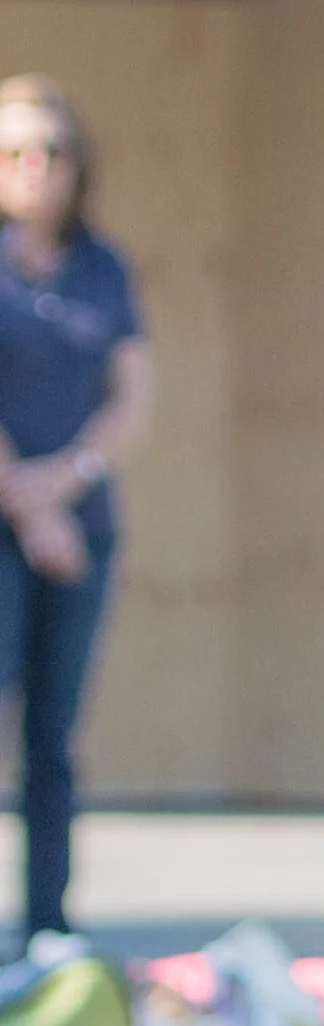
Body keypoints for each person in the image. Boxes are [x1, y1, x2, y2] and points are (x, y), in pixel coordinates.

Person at [0, 78, 153, 952]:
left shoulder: (105, 266)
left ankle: (48, 931)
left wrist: (67, 482)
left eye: (52, 151)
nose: (35, 168)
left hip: (80, 535)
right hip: (18, 529)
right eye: (16, 151)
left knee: (53, 742)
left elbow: (131, 399)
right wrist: (29, 510)